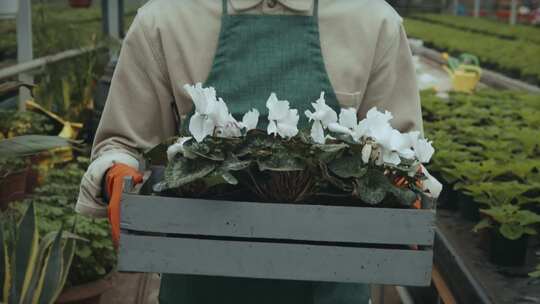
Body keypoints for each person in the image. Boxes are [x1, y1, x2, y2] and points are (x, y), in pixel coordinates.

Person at [77, 0, 423, 303]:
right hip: (198, 283)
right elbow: (122, 141)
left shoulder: (372, 21)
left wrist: (406, 182)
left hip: (332, 285)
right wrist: (116, 169)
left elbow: (401, 147)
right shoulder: (165, 18)